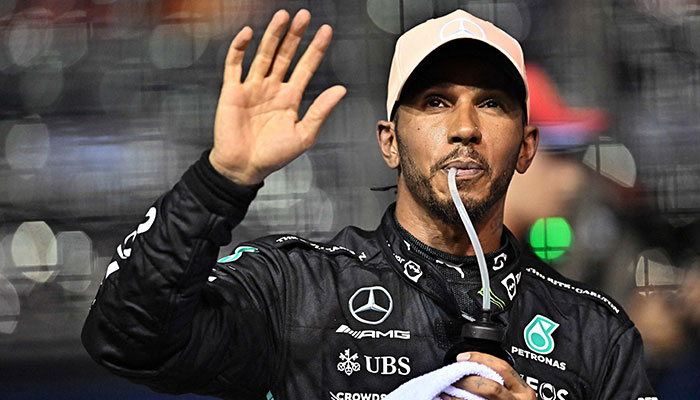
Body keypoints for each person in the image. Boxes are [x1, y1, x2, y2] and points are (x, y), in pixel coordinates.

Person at [81, 8, 657, 400]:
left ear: (526, 146)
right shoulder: (298, 288)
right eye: (435, 101)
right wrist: (221, 178)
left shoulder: (595, 331)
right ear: (389, 141)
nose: (463, 128)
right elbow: (126, 336)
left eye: (491, 103)